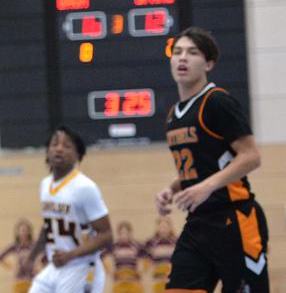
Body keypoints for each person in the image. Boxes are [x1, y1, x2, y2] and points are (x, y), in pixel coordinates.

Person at [155, 27, 268, 291]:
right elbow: (199, 166)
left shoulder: (217, 101)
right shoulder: (174, 114)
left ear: (208, 63)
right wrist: (171, 189)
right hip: (198, 224)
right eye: (178, 52)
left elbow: (251, 156)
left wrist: (206, 187)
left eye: (192, 53)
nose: (182, 58)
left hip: (235, 218)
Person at [22, 126, 113, 293]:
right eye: (55, 144)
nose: (59, 149)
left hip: (82, 266)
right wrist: (31, 256)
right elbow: (49, 225)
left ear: (78, 154)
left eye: (66, 145)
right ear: (47, 151)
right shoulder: (45, 185)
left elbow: (106, 235)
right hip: (55, 266)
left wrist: (70, 255)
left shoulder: (85, 187)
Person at [0, 219, 38, 293]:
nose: (24, 233)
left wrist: (39, 267)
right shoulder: (16, 246)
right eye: (22, 230)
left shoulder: (34, 245)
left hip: (32, 276)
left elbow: (44, 257)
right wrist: (11, 267)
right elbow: (0, 257)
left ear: (29, 232)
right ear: (18, 232)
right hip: (19, 276)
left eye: (26, 230)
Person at [103, 221, 144, 293]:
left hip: (134, 280)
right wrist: (110, 271)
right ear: (118, 233)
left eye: (126, 233)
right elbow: (103, 258)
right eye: (121, 233)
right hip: (119, 280)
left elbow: (145, 259)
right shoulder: (113, 246)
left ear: (130, 233)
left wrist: (141, 270)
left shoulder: (137, 245)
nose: (124, 235)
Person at [141, 217, 176, 293]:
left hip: (172, 278)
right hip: (157, 279)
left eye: (165, 227)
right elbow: (147, 260)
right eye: (161, 227)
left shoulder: (176, 242)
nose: (163, 229)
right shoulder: (150, 242)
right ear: (157, 228)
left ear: (170, 228)